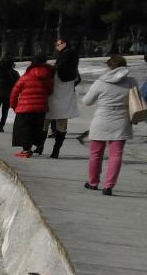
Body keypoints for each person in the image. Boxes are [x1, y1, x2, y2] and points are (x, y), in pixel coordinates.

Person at [80, 55, 139, 194]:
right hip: (122, 121)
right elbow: (137, 100)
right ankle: (108, 186)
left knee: (95, 154)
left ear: (109, 66)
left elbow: (87, 101)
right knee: (116, 155)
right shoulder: (131, 81)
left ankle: (93, 182)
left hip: (102, 120)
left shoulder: (100, 82)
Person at [8, 54, 54, 158]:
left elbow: (15, 92)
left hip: (25, 108)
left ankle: (26, 151)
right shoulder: (48, 76)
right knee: (36, 128)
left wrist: (13, 106)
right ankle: (36, 147)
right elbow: (50, 91)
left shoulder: (26, 76)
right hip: (40, 108)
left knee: (24, 129)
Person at [46, 38, 81, 157]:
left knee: (45, 122)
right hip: (66, 101)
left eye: (57, 45)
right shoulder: (74, 74)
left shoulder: (54, 73)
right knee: (62, 125)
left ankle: (40, 147)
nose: (56, 47)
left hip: (52, 100)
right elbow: (77, 80)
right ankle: (56, 150)